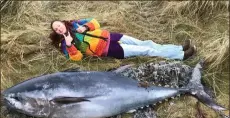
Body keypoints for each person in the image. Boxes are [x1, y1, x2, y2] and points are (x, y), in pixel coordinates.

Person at [49, 18, 196, 61]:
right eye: (56, 29)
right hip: (110, 50)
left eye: (59, 25)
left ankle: (178, 48)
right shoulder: (64, 44)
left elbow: (95, 22)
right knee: (147, 50)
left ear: (62, 23)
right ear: (56, 32)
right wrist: (70, 45)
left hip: (113, 36)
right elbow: (78, 58)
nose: (59, 28)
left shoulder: (76, 23)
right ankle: (182, 56)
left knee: (146, 43)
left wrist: (86, 27)